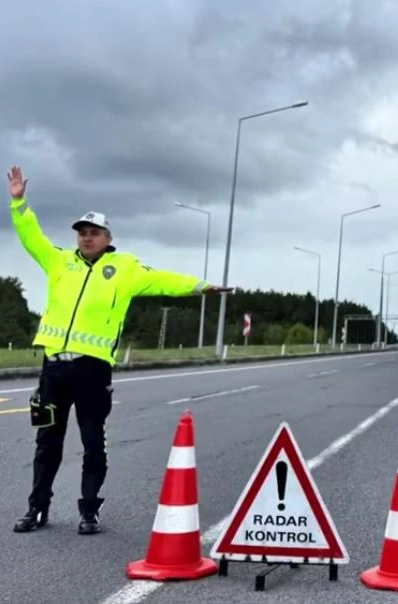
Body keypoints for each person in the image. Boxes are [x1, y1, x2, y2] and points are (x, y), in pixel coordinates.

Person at [7, 165, 233, 534]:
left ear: (108, 237)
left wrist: (201, 286)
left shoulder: (124, 268)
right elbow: (30, 236)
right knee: (47, 442)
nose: (86, 238)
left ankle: (89, 510)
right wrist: (19, 203)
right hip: (54, 369)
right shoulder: (59, 261)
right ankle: (37, 509)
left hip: (93, 370)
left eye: (94, 232)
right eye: (82, 232)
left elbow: (162, 280)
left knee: (93, 442)